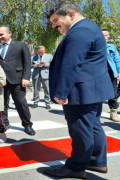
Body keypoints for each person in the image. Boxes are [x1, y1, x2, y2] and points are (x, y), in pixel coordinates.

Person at [44, 2, 114, 179]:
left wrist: (61, 92)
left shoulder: (79, 31)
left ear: (71, 14)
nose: (54, 25)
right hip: (91, 89)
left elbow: (71, 64)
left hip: (80, 90)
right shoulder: (88, 28)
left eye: (56, 20)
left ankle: (75, 167)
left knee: (80, 130)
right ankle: (97, 161)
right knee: (93, 127)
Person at [0, 26, 35, 136]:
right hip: (1, 81)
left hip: (18, 80)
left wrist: (26, 77)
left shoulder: (21, 45)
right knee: (2, 104)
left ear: (9, 33)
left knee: (20, 103)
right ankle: (4, 124)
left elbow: (27, 63)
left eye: (1, 34)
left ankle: (27, 125)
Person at [102, 29, 120, 122]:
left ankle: (113, 112)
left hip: (111, 73)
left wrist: (119, 72)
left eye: (108, 35)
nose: (108, 36)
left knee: (113, 93)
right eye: (105, 35)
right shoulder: (95, 46)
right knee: (98, 93)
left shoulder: (112, 47)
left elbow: (117, 60)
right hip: (99, 74)